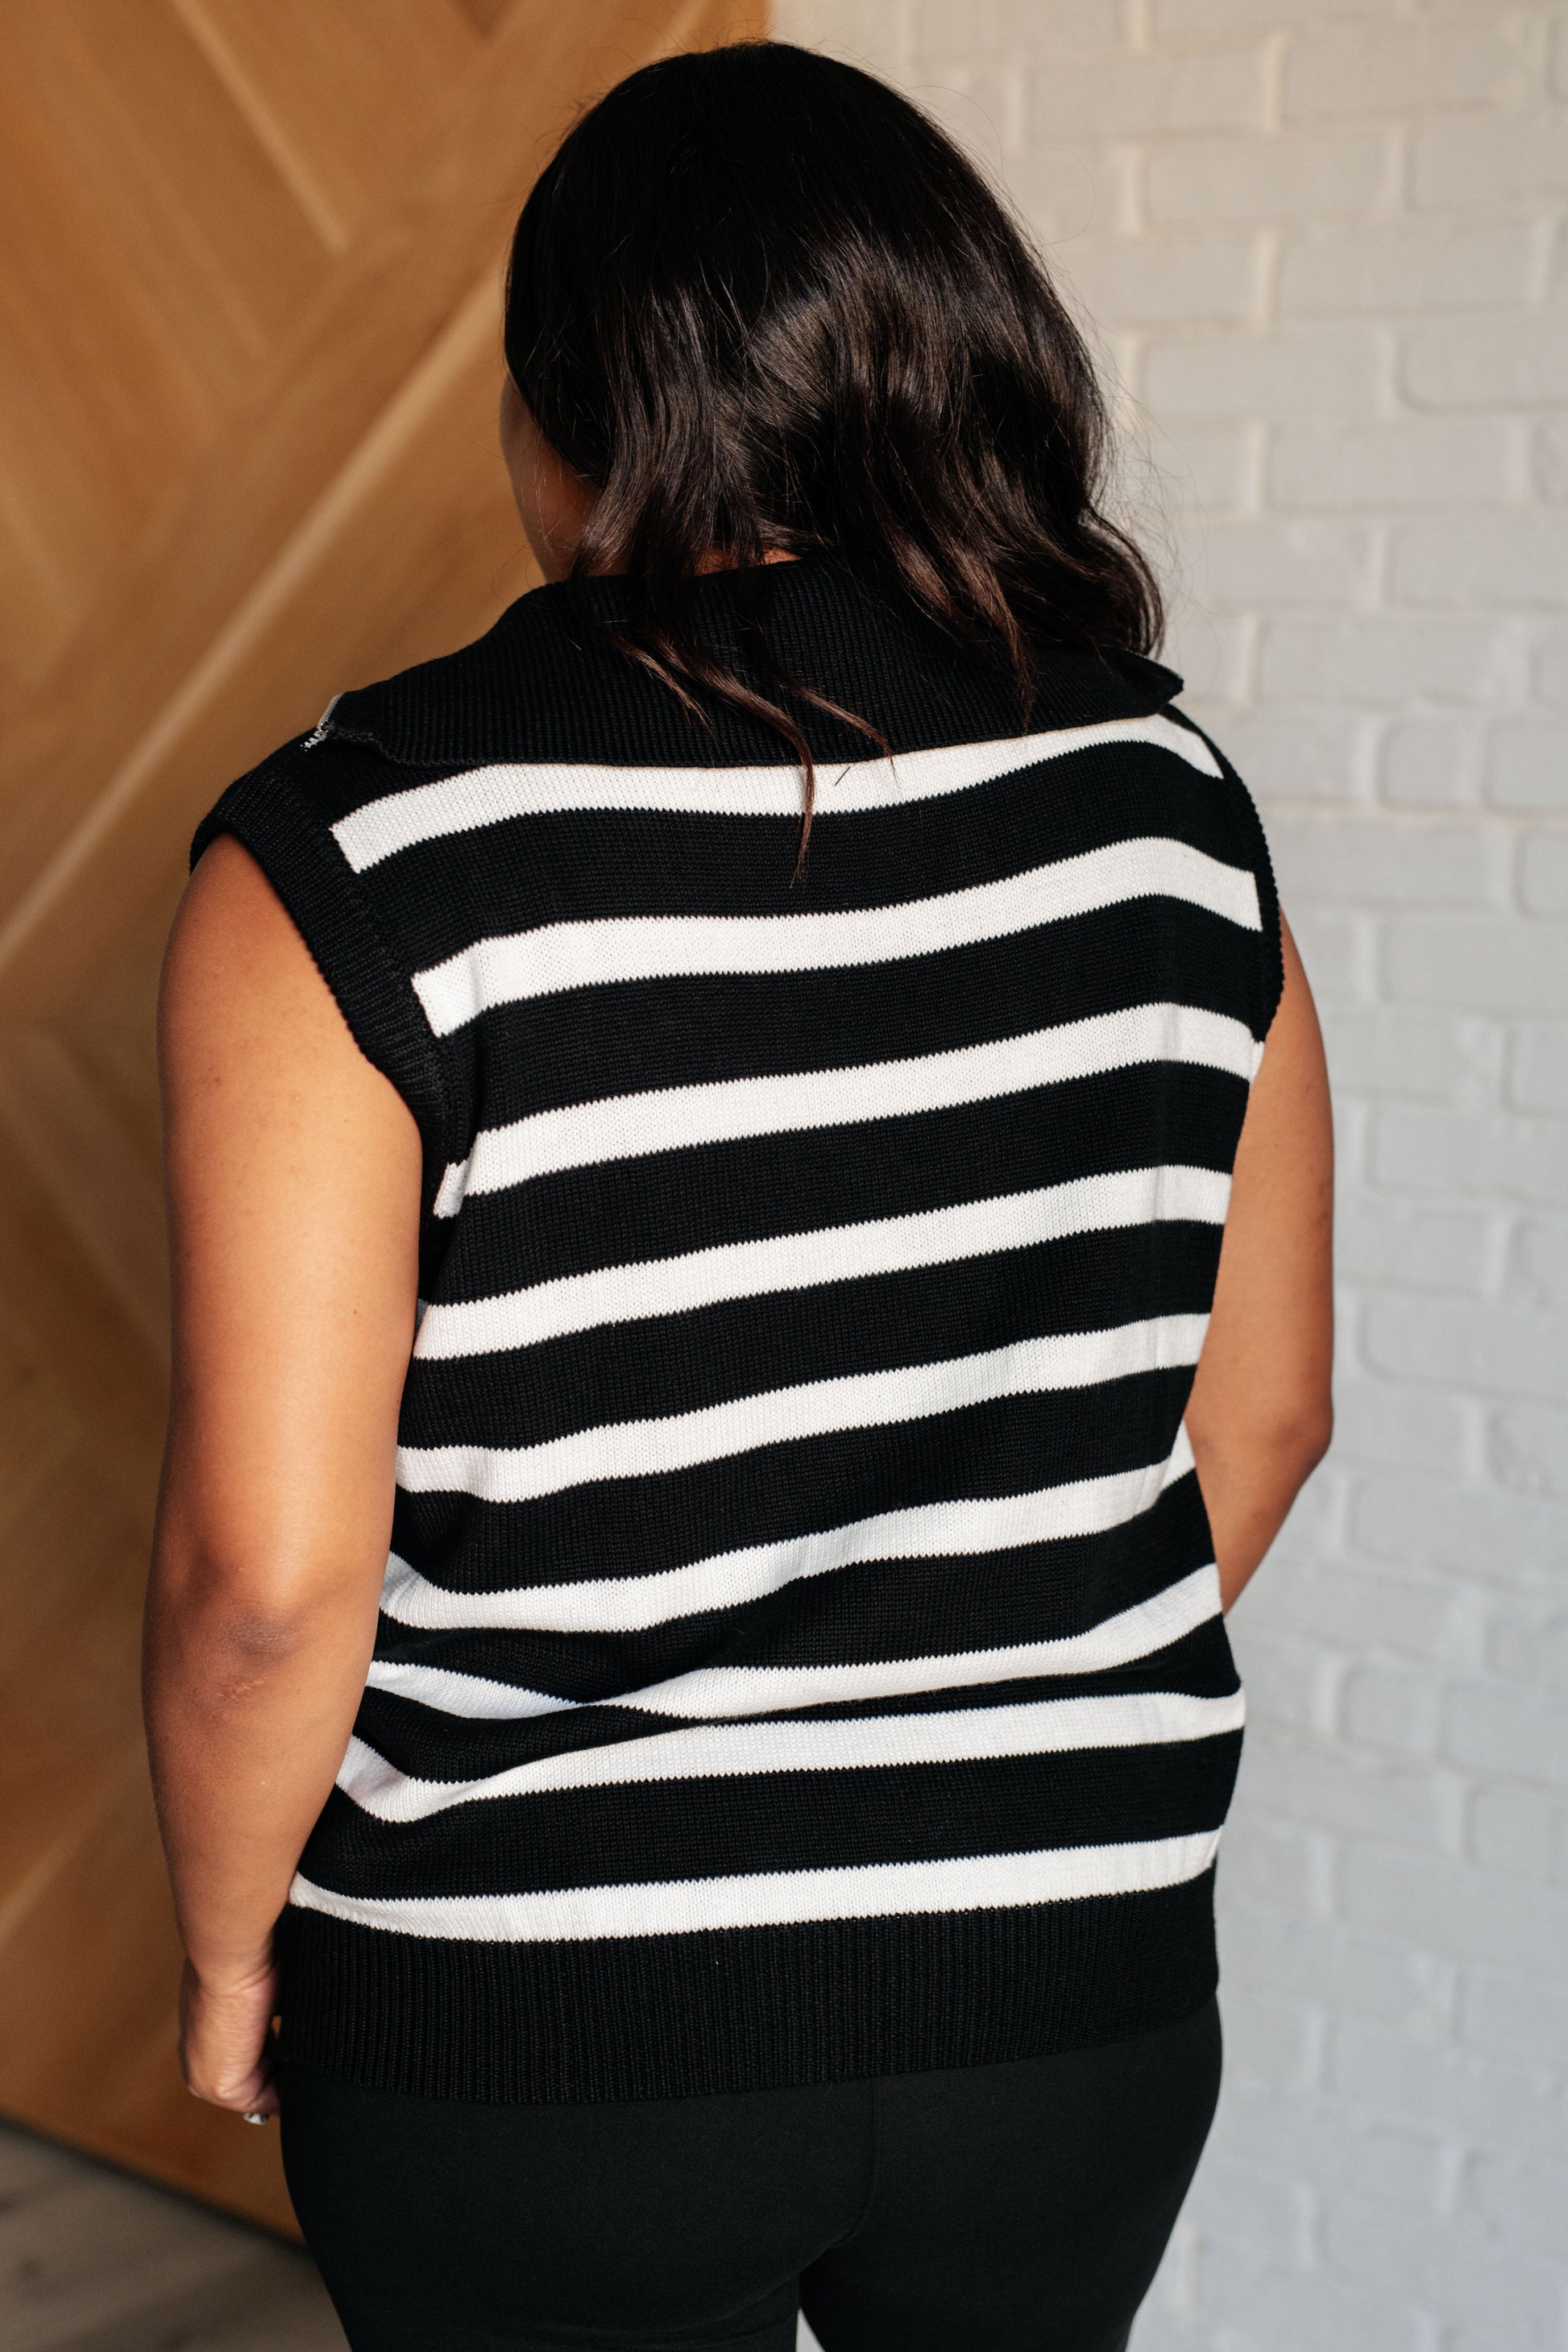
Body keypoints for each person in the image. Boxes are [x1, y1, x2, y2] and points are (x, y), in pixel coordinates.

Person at [146, 40, 1333, 2352]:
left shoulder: (361, 847)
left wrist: (222, 1957)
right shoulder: (1168, 804)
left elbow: (266, 1588)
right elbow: (1259, 1417)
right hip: (1067, 2002)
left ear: (556, 418)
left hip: (534, 2019)